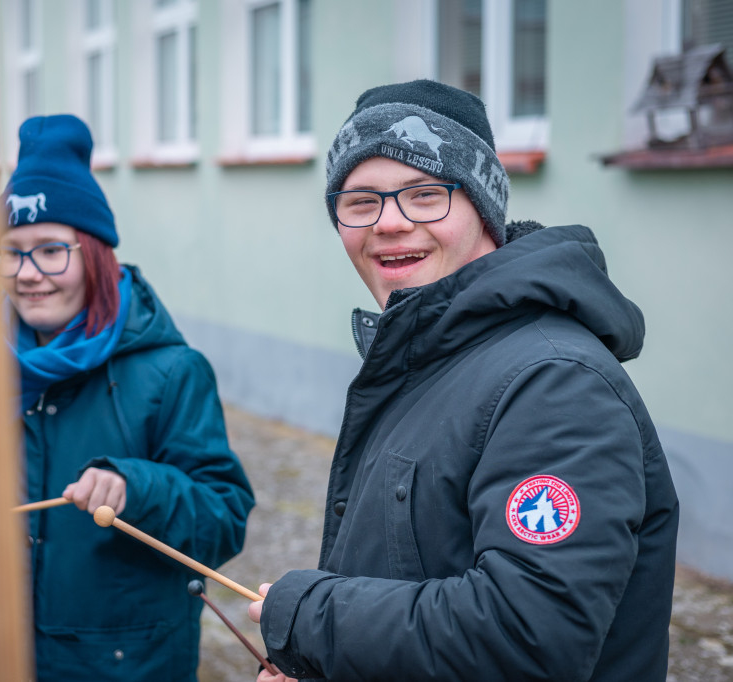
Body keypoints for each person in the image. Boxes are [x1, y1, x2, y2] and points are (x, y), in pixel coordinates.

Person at [248, 80, 679, 682]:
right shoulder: (424, 356)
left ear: (483, 207)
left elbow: (526, 639)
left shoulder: (553, 383)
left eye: (426, 195)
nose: (389, 224)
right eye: (359, 201)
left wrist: (312, 618)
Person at [0, 114, 255, 681]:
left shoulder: (171, 373)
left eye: (50, 250)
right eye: (12, 251)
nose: (29, 273)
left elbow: (224, 519)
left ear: (94, 256)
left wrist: (135, 488)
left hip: (124, 667)